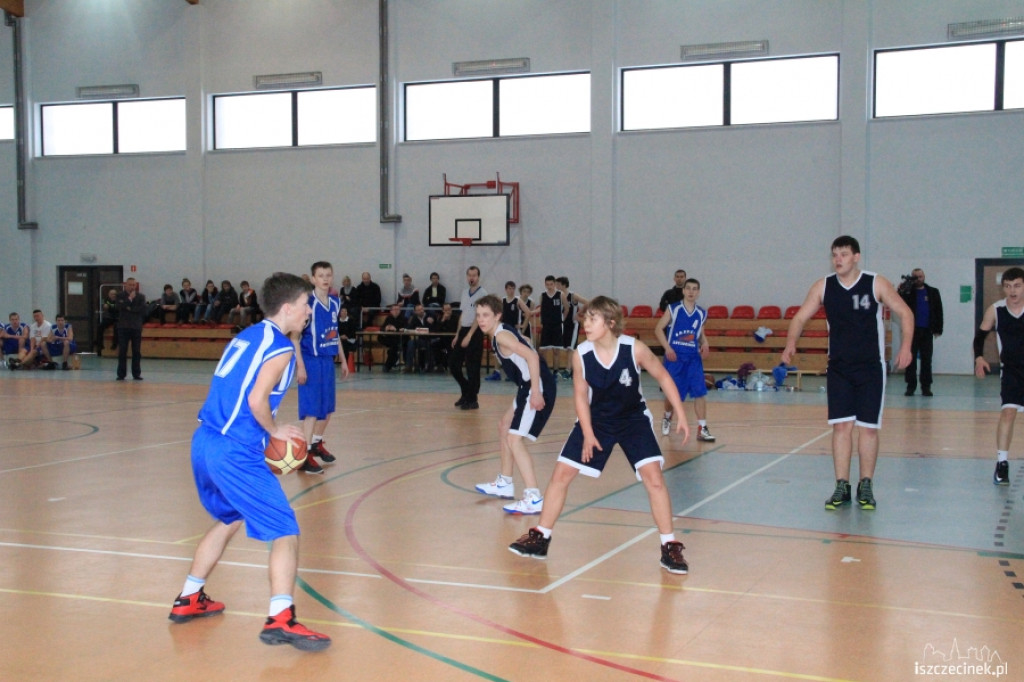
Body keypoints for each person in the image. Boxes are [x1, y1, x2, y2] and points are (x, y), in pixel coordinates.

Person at [167, 272, 331, 652]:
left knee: (230, 517)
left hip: (205, 442)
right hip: (235, 451)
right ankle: (282, 617)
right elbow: (257, 400)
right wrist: (274, 431)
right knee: (285, 530)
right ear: (288, 307)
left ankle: (189, 597)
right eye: (306, 305)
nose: (309, 311)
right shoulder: (280, 348)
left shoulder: (248, 335)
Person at [508, 296, 692, 574]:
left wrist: (680, 413)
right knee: (561, 474)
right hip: (597, 419)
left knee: (654, 478)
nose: (585, 323)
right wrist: (588, 432)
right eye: (585, 318)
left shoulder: (634, 348)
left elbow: (664, 377)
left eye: (592, 319)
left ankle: (670, 546)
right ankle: (541, 537)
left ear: (610, 323)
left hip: (633, 419)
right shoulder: (581, 353)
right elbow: (581, 395)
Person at [781, 236, 913, 511]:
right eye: (834, 255)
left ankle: (866, 484)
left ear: (856, 257)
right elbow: (800, 317)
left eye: (843, 254)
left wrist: (907, 347)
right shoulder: (823, 286)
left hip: (870, 368)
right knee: (841, 427)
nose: (837, 259)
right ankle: (842, 484)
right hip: (839, 368)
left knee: (868, 428)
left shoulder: (875, 282)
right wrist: (791, 343)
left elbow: (904, 312)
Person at [474, 295, 557, 514]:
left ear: (497, 316)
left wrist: (537, 392)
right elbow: (527, 342)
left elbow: (531, 355)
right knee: (504, 426)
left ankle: (533, 496)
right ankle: (505, 482)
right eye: (478, 315)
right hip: (526, 386)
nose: (481, 320)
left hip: (536, 386)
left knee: (514, 439)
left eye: (486, 315)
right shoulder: (503, 330)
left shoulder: (501, 336)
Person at [292, 261, 346, 475]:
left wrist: (342, 357)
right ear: (313, 279)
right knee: (312, 411)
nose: (325, 278)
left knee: (327, 410)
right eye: (321, 275)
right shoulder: (307, 304)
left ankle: (315, 443)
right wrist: (301, 367)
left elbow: (335, 332)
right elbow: (294, 337)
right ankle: (304, 456)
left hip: (327, 360)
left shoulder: (334, 302)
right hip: (311, 360)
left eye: (328, 275)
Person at [974, 267, 1024, 486]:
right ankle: (1002, 463)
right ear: (1003, 288)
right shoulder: (996, 310)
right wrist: (979, 358)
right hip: (1012, 371)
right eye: (1008, 286)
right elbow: (980, 336)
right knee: (1008, 414)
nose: (1012, 291)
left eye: (1017, 286)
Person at [655, 278, 715, 441]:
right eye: (688, 288)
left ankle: (702, 428)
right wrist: (667, 348)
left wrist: (705, 343)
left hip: (693, 358)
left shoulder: (702, 313)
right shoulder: (674, 309)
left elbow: (700, 333)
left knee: (699, 393)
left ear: (699, 292)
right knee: (672, 395)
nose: (691, 291)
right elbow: (658, 329)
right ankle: (667, 416)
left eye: (695, 289)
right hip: (675, 357)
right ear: (683, 291)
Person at [900, 268, 943, 396]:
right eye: (915, 277)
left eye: (920, 276)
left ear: (924, 277)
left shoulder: (933, 292)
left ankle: (926, 386)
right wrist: (902, 289)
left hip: (927, 331)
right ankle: (910, 386)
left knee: (926, 360)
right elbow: (899, 303)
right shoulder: (908, 292)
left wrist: (938, 329)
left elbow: (939, 311)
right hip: (911, 331)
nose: (918, 279)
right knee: (910, 360)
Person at [450, 266, 488, 410]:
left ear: (478, 277)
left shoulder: (483, 294)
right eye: (469, 275)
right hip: (464, 330)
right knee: (454, 365)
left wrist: (469, 335)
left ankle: (473, 399)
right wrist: (458, 334)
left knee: (472, 367)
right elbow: (462, 314)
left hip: (475, 331)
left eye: (474, 275)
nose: (472, 278)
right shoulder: (464, 293)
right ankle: (466, 390)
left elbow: (479, 317)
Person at [486, 281, 532, 381]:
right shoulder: (501, 300)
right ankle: (497, 372)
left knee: (514, 352)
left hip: (514, 331)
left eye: (512, 289)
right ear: (506, 289)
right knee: (498, 350)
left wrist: (523, 326)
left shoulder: (518, 300)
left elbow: (528, 312)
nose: (511, 291)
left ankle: (513, 373)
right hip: (503, 330)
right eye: (509, 288)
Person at [533, 275, 566, 375]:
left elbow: (567, 308)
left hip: (557, 325)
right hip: (546, 325)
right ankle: (545, 371)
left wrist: (562, 319)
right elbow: (541, 309)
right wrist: (533, 313)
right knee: (543, 350)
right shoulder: (542, 295)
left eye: (551, 284)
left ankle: (556, 371)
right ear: (545, 284)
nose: (549, 286)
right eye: (547, 284)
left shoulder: (560, 294)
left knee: (556, 350)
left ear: (555, 284)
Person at [557, 276, 588, 379]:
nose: (557, 286)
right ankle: (571, 369)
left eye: (558, 284)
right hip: (564, 324)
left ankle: (569, 370)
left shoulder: (573, 296)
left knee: (571, 348)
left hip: (573, 324)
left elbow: (587, 302)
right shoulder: (559, 296)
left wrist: (580, 313)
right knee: (567, 348)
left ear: (564, 285)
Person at [116, 278, 148, 381]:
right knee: (122, 351)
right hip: (123, 327)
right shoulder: (120, 295)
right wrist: (129, 299)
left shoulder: (141, 297)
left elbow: (142, 310)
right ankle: (121, 374)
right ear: (126, 285)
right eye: (130, 285)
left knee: (136, 351)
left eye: (134, 285)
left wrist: (129, 308)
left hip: (136, 327)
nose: (132, 287)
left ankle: (136, 374)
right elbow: (119, 307)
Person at [403, 303, 431, 373]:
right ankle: (409, 365)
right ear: (415, 312)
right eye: (418, 310)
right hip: (419, 339)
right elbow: (409, 328)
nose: (421, 311)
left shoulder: (430, 316)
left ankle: (428, 365)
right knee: (410, 343)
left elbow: (434, 329)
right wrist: (404, 329)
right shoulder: (414, 318)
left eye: (422, 309)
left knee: (429, 345)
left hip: (429, 339)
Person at [430, 302, 458, 372]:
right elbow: (436, 331)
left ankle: (451, 366)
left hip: (453, 340)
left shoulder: (456, 318)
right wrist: (443, 320)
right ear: (443, 310)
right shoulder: (440, 318)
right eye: (446, 310)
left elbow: (454, 330)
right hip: (443, 339)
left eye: (449, 309)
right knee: (434, 345)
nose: (447, 311)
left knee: (450, 348)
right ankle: (439, 365)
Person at [380, 303, 406, 372]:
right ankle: (393, 361)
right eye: (394, 309)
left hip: (399, 339)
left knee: (393, 348)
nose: (396, 311)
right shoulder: (388, 318)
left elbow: (405, 330)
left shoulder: (404, 318)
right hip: (389, 338)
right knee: (379, 337)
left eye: (397, 309)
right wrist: (386, 328)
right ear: (391, 311)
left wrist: (396, 329)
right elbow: (381, 328)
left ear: (400, 311)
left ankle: (387, 366)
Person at [96, 288, 119, 353]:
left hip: (117, 318)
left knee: (116, 327)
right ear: (109, 295)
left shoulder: (119, 300)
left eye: (114, 294)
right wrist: (107, 306)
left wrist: (110, 307)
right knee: (100, 326)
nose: (113, 295)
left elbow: (117, 308)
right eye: (112, 294)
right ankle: (100, 345)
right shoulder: (107, 300)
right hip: (109, 318)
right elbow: (105, 305)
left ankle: (115, 344)